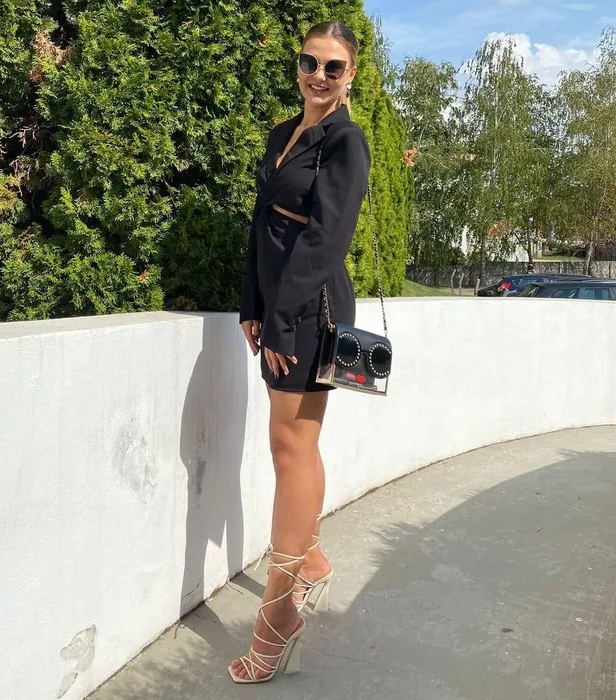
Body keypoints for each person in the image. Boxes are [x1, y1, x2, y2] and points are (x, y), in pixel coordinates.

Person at [229, 21, 371, 684]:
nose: (319, 75)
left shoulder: (346, 141)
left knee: (291, 447)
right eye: (310, 62)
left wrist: (282, 315)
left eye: (333, 67)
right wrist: (250, 302)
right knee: (292, 444)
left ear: (350, 75)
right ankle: (309, 560)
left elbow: (325, 240)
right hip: (280, 304)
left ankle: (278, 616)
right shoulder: (282, 132)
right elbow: (264, 222)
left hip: (310, 310)